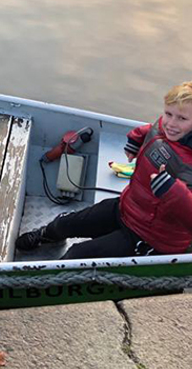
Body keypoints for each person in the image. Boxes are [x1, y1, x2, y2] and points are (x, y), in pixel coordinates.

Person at [16, 81, 192, 259]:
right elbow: (153, 129)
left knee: (76, 256)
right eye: (168, 114)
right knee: (64, 224)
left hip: (150, 237)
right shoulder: (169, 127)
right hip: (127, 208)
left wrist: (172, 191)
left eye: (182, 119)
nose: (171, 123)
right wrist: (136, 139)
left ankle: (50, 281)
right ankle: (47, 236)